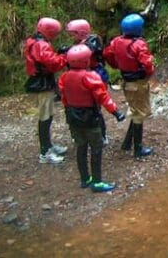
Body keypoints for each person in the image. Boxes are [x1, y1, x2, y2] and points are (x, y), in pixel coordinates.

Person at [59, 44, 126, 192]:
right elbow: (103, 97)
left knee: (80, 147)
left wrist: (70, 108)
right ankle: (97, 182)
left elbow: (63, 97)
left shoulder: (64, 77)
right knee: (96, 147)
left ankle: (85, 178)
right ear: (85, 61)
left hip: (72, 117)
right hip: (89, 117)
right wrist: (116, 112)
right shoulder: (90, 76)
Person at [103, 14, 155, 158]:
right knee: (139, 113)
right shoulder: (139, 44)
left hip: (127, 80)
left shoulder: (116, 41)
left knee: (135, 109)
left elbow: (107, 55)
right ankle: (138, 150)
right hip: (137, 82)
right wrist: (149, 72)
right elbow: (147, 63)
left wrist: (116, 65)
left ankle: (127, 143)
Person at [23, 17, 69, 164]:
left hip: (43, 81)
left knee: (48, 115)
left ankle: (48, 146)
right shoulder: (41, 44)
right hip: (42, 83)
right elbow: (53, 63)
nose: (55, 36)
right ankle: (45, 152)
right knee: (45, 116)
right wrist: (64, 57)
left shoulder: (36, 41)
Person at [65, 19, 110, 144]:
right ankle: (81, 135)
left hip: (96, 74)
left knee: (95, 107)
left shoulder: (93, 40)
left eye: (73, 33)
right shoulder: (77, 44)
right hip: (82, 76)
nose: (71, 36)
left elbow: (89, 50)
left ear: (81, 32)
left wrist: (68, 50)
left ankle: (102, 135)